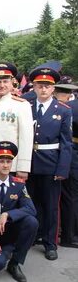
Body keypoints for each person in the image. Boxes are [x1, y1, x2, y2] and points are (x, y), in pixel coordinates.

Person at [24, 68, 72, 260]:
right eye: (39, 86)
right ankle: (30, 236)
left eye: (47, 86)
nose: (43, 89)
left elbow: (66, 142)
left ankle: (50, 243)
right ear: (33, 87)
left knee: (51, 205)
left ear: (53, 88)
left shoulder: (62, 110)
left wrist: (62, 168)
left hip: (51, 161)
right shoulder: (26, 106)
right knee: (29, 203)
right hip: (28, 161)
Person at [0, 141, 38, 282]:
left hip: (8, 231)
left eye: (9, 161)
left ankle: (15, 263)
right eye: (1, 161)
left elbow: (31, 209)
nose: (6, 165)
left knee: (31, 222)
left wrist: (7, 215)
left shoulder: (18, 185)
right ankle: (2, 252)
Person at [61, 94, 78, 248]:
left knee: (71, 196)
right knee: (71, 196)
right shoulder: (71, 107)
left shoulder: (70, 107)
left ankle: (69, 234)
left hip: (73, 152)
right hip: (73, 151)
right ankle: (69, 235)